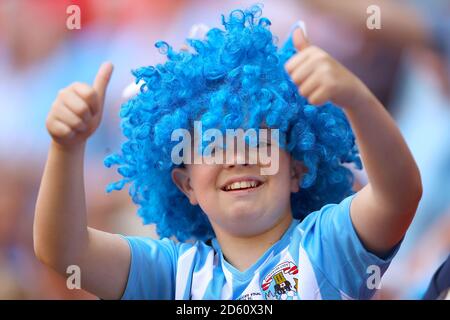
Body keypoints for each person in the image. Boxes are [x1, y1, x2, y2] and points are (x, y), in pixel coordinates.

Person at [33, 6, 422, 300]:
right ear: (185, 184)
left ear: (297, 167)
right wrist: (65, 148)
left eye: (257, 140)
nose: (236, 158)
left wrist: (355, 99)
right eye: (212, 145)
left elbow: (398, 195)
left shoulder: (327, 246)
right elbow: (66, 253)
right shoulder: (171, 274)